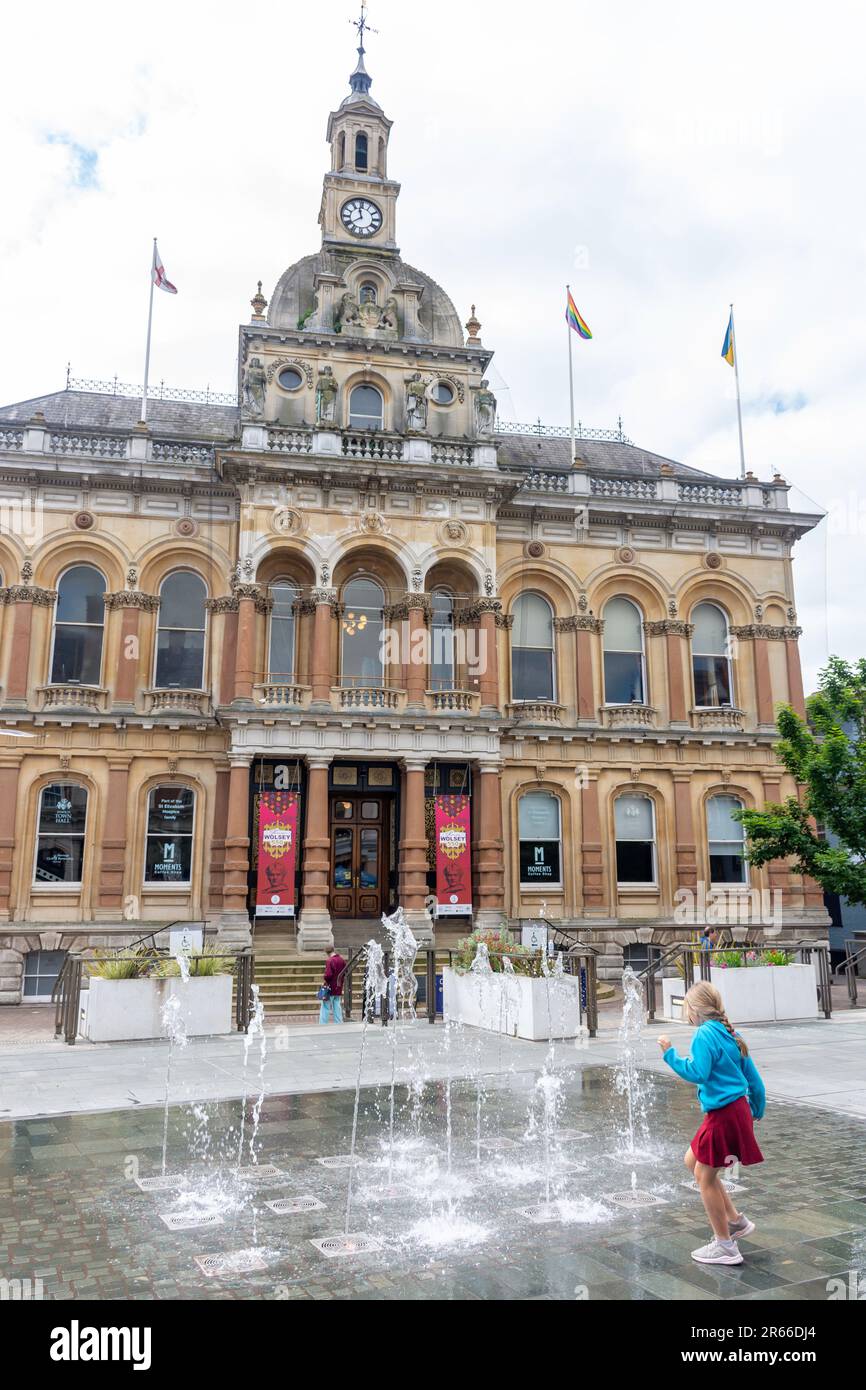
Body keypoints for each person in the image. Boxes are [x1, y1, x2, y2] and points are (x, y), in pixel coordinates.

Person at [658, 980, 765, 1266]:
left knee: (704, 1177)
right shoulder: (731, 1033)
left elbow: (698, 1073)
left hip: (724, 1113)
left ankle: (725, 1246)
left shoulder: (704, 1034)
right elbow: (754, 1079)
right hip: (733, 1110)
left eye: (686, 1008)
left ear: (694, 1009)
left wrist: (669, 1054)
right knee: (692, 1160)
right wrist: (756, 1108)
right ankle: (736, 1221)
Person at [319, 945, 346, 1025]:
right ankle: (338, 1022)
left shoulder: (330, 961)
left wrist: (325, 979)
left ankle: (323, 1024)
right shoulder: (341, 960)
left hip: (329, 987)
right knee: (337, 1005)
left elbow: (328, 975)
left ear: (326, 952)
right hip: (338, 986)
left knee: (325, 1006)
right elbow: (345, 972)